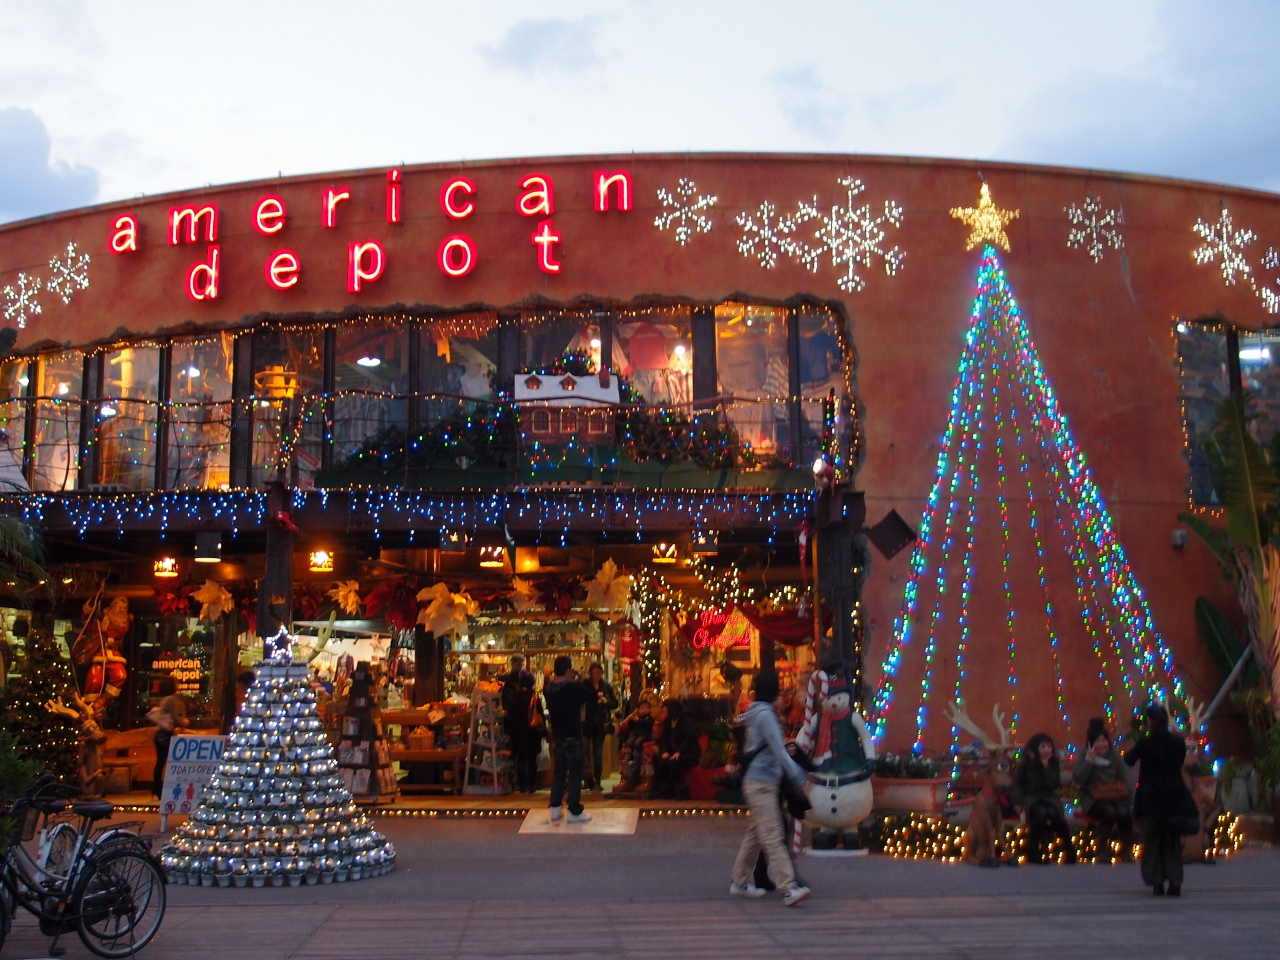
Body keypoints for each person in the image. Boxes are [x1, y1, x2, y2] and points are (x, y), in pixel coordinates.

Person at [730, 670, 812, 906]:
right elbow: (778, 750)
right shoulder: (766, 716)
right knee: (773, 834)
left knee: (756, 834)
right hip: (762, 782)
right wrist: (797, 779)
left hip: (759, 781)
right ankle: (788, 887)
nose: (784, 695)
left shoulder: (758, 713)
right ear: (772, 692)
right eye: (780, 690)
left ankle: (740, 881)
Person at [1126, 704, 1197, 896]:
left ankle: (1157, 881)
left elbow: (1129, 760)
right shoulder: (1177, 744)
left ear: (1150, 721)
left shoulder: (1145, 743)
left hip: (1150, 798)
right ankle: (1175, 880)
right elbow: (1180, 762)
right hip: (1173, 796)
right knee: (1172, 840)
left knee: (1152, 840)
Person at [542, 655, 594, 824]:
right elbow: (591, 697)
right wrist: (584, 681)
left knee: (559, 773)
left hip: (558, 737)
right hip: (573, 737)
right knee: (575, 774)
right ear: (568, 669)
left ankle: (555, 808)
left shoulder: (548, 689)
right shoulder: (573, 689)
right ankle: (574, 810)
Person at [1072, 718, 1135, 854]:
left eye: (1104, 740)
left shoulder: (1115, 755)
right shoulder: (1085, 756)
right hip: (1093, 799)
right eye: (1098, 741)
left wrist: (1132, 802)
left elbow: (1126, 778)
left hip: (1115, 794)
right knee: (1109, 813)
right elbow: (1077, 778)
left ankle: (1127, 849)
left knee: (1124, 813)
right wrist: (1089, 761)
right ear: (1091, 743)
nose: (1102, 744)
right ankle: (1101, 849)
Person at [1013, 732, 1076, 863]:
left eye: (1049, 746)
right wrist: (1018, 803)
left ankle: (1069, 849)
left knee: (1054, 813)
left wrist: (1046, 767)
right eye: (1043, 746)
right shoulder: (1025, 762)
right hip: (1031, 796)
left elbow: (1054, 785)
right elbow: (1017, 783)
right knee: (1041, 813)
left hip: (1049, 796)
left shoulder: (1053, 762)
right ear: (1036, 748)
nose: (1047, 749)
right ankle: (1033, 850)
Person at [652, 699, 701, 799]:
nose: (664, 713)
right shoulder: (668, 722)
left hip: (688, 753)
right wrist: (664, 751)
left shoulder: (685, 720)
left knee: (673, 763)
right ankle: (666, 790)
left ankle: (683, 791)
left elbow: (690, 738)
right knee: (662, 762)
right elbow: (663, 739)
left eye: (665, 710)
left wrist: (680, 751)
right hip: (673, 752)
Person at [582, 663, 619, 791]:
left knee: (597, 753)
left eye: (598, 672)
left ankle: (597, 780)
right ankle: (588, 779)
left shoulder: (606, 687)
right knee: (585, 752)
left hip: (600, 724)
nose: (596, 675)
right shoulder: (586, 685)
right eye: (594, 673)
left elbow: (615, 703)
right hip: (587, 723)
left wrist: (606, 701)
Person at [149, 676, 188, 797]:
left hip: (160, 734)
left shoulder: (164, 699)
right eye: (175, 683)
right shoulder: (171, 700)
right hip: (166, 734)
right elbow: (175, 717)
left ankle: (156, 787)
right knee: (172, 761)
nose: (177, 685)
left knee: (160, 762)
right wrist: (184, 723)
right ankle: (166, 787)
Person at [507, 673, 542, 793]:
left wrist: (509, 732)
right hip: (532, 732)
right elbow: (540, 715)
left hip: (518, 732)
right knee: (532, 759)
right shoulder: (534, 697)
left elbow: (509, 716)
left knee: (520, 759)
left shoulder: (513, 697)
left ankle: (522, 785)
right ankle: (531, 785)